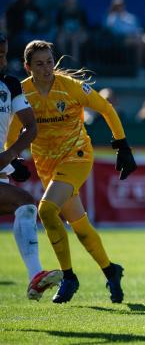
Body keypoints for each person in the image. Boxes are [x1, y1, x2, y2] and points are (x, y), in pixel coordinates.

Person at [7, 40, 137, 304]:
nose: (46, 69)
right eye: (39, 64)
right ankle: (110, 270)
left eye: (49, 63)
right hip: (47, 165)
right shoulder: (22, 93)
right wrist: (13, 159)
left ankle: (68, 277)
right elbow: (12, 129)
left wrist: (121, 145)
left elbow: (106, 108)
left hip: (76, 156)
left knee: (46, 210)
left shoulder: (72, 88)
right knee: (79, 224)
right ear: (27, 66)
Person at [0, 33, 62, 300]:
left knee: (26, 205)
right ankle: (35, 275)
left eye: (3, 54)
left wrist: (11, 156)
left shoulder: (10, 84)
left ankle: (36, 277)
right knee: (25, 204)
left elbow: (31, 126)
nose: (1, 60)